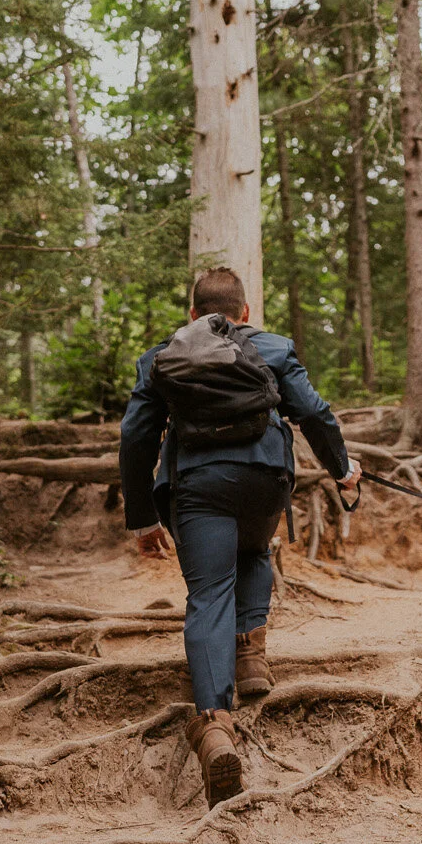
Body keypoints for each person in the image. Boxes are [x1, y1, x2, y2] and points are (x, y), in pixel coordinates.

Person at [119, 267, 361, 807]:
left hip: (199, 486)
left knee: (208, 594)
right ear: (245, 312)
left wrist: (142, 518)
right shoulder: (272, 347)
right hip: (264, 480)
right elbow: (313, 413)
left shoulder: (164, 356)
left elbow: (136, 435)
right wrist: (342, 468)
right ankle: (249, 656)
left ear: (193, 314)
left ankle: (213, 726)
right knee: (254, 548)